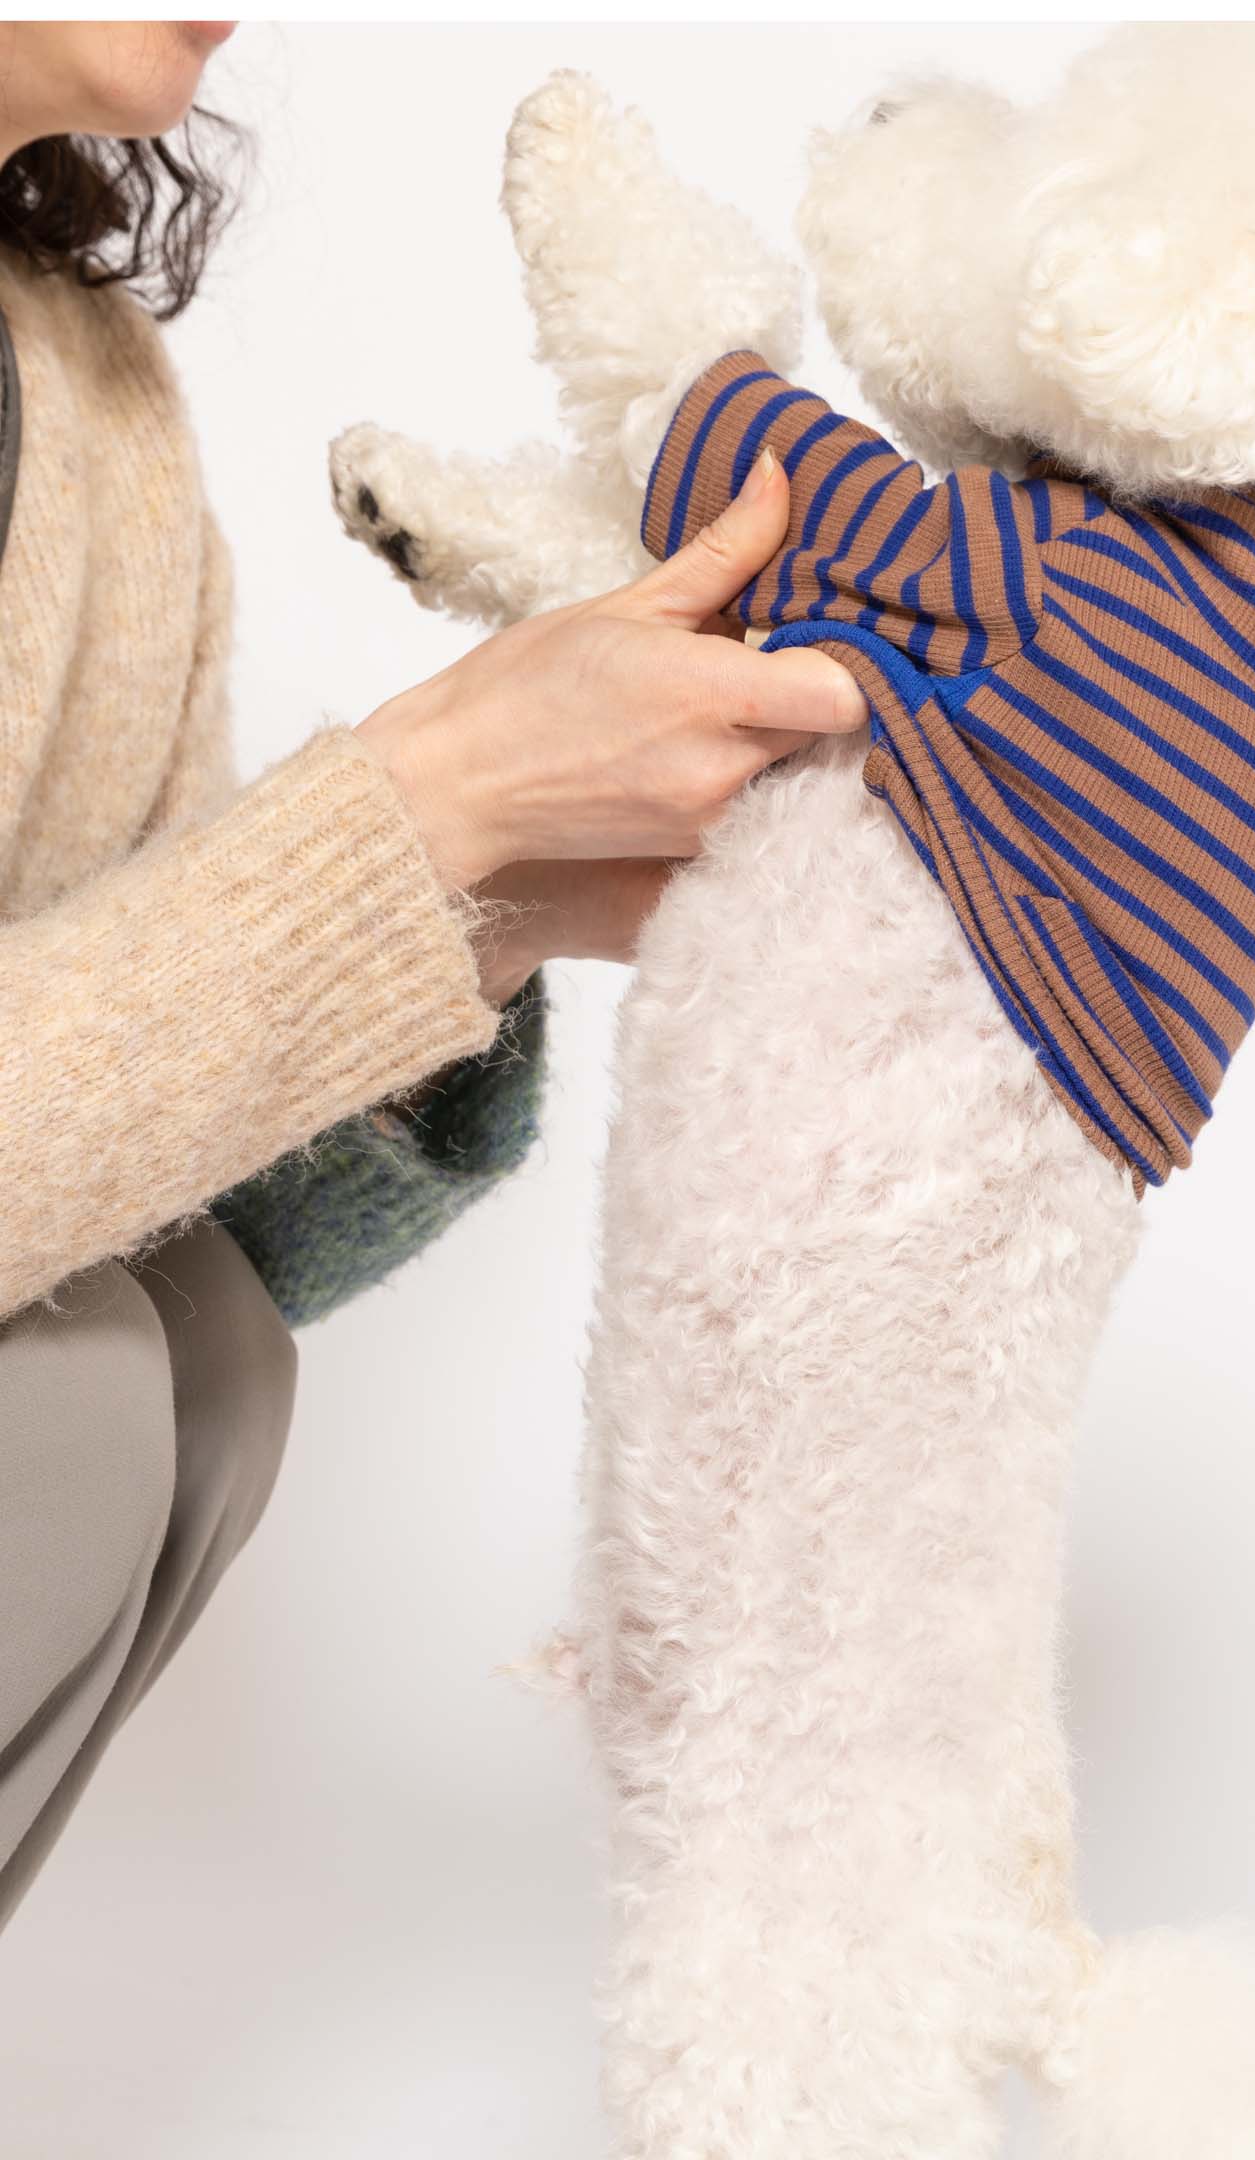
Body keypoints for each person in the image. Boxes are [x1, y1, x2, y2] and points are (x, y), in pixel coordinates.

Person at [0, 20, 865, 1928]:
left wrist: (482, 902)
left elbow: (118, 1174)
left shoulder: (94, 413)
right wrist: (413, 813)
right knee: (61, 1411)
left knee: (189, 1361)